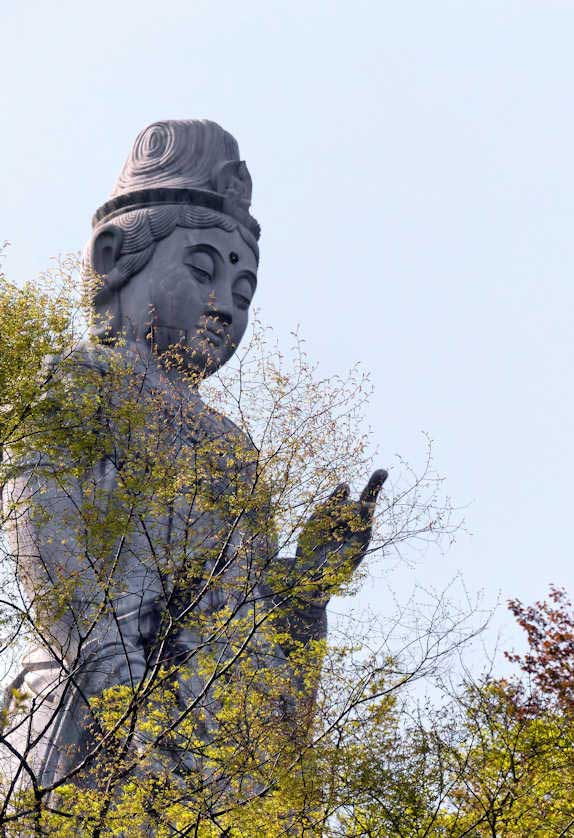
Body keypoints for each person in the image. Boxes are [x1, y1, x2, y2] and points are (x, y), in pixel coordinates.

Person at [2, 120, 386, 791]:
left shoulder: (233, 449)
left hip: (209, 732)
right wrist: (120, 695)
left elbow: (246, 609)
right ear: (114, 256)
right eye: (203, 269)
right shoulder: (83, 381)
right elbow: (54, 550)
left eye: (244, 294)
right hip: (101, 703)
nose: (226, 306)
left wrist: (307, 585)